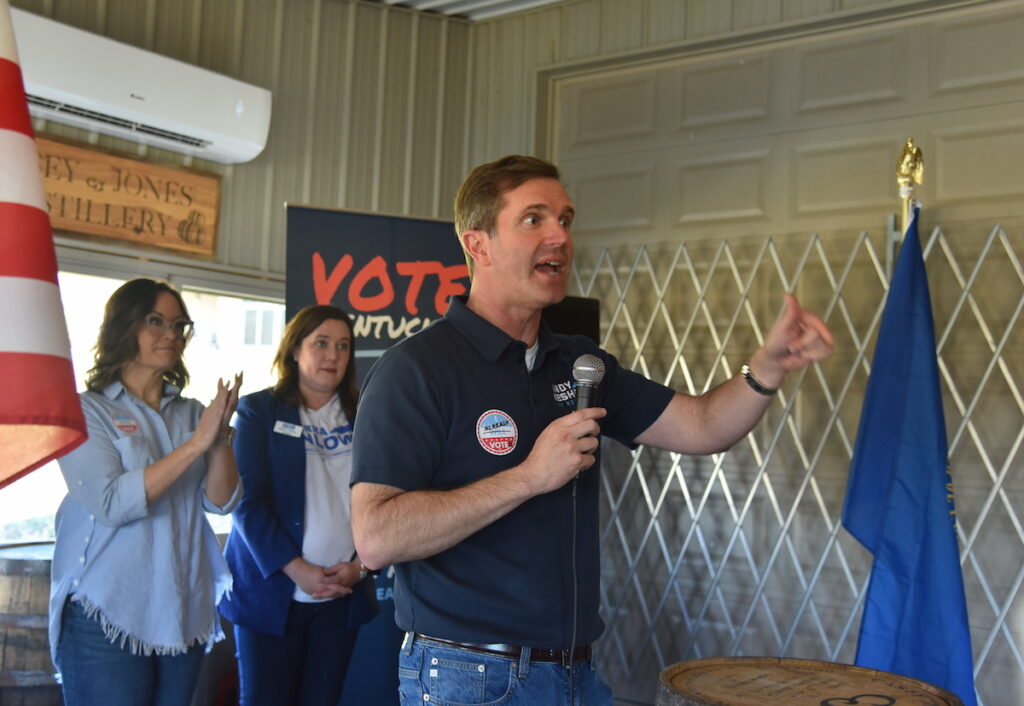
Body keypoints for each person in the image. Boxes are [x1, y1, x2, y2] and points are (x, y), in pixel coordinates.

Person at [350, 155, 835, 705]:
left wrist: (767, 366)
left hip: (575, 674)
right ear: (478, 245)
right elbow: (376, 539)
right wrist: (530, 476)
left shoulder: (579, 363)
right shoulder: (417, 370)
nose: (559, 235)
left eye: (566, 219)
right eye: (533, 219)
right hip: (471, 675)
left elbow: (702, 426)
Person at [48, 278, 242, 706]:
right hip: (108, 610)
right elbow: (112, 502)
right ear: (124, 326)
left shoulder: (194, 413)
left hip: (180, 608)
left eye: (179, 324)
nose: (171, 334)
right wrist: (196, 444)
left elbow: (222, 501)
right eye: (156, 321)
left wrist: (221, 435)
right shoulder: (87, 409)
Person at [219, 305, 378, 706]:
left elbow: (388, 498)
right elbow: (246, 504)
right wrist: (297, 569)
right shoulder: (259, 411)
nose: (333, 356)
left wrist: (359, 566)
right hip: (272, 594)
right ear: (294, 349)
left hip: (342, 594)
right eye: (321, 343)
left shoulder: (366, 415)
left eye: (343, 346)